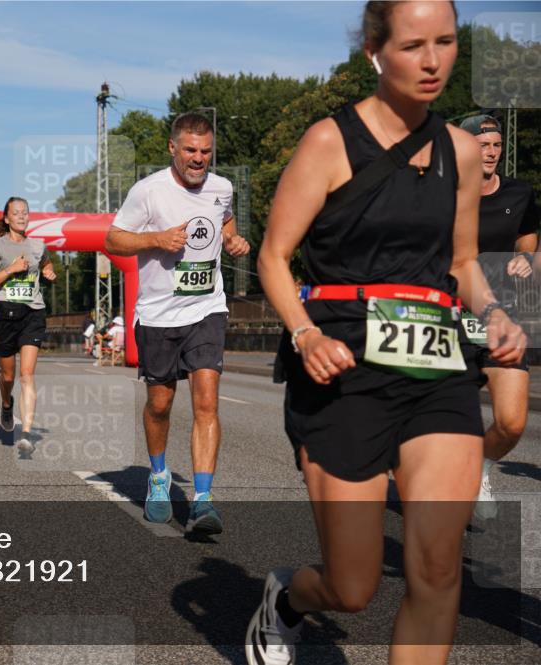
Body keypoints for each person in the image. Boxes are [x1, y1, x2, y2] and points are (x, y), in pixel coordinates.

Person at [250, 3, 527, 664]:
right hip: (344, 368)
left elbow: (463, 262)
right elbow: (273, 257)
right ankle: (288, 600)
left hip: (436, 368)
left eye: (446, 42)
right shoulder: (329, 142)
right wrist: (305, 335)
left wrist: (492, 312)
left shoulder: (462, 151)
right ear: (375, 50)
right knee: (353, 586)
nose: (432, 62)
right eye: (412, 45)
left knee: (437, 569)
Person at [104, 111, 250, 537]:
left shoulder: (222, 188)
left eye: (205, 151)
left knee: (207, 401)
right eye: (190, 150)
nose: (198, 158)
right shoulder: (148, 191)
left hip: (206, 308)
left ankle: (202, 500)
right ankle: (158, 475)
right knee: (160, 405)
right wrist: (155, 238)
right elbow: (113, 239)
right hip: (158, 315)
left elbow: (225, 221)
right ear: (173, 148)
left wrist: (232, 240)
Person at [458, 113, 539, 520]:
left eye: (496, 145)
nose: (491, 152)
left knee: (511, 423)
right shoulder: (444, 194)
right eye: (482, 145)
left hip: (503, 318)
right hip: (450, 317)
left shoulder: (519, 194)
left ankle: (480, 466)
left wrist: (528, 260)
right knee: (443, 420)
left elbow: (529, 244)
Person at [0, 197, 57, 456]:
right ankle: (6, 403)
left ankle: (25, 433)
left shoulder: (37, 245)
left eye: (25, 212)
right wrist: (11, 269)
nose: (22, 216)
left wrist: (48, 271)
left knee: (27, 375)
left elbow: (46, 262)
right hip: (4, 314)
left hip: (32, 313)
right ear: (7, 218)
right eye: (16, 213)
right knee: (8, 376)